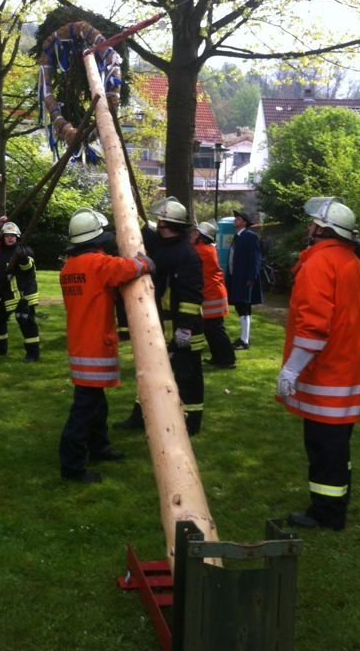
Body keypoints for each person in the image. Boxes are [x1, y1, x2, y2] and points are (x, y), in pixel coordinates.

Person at [276, 197, 360, 531]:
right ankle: (333, 506)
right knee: (336, 447)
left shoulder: (319, 264)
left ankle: (326, 514)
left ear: (322, 230)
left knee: (324, 448)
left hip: (325, 374)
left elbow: (314, 326)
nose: (308, 227)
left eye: (312, 223)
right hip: (347, 369)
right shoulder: (351, 261)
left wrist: (292, 368)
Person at [59, 207, 154, 484]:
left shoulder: (69, 268)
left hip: (80, 347)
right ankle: (72, 466)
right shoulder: (99, 264)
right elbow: (129, 268)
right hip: (95, 348)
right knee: (84, 410)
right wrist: (144, 261)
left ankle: (99, 448)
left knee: (96, 404)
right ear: (96, 240)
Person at [115, 197, 205, 436]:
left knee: (187, 376)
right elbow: (145, 233)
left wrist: (184, 328)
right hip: (160, 325)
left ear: (166, 224)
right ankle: (140, 416)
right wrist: (131, 211)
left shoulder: (186, 254)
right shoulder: (162, 244)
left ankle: (192, 420)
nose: (157, 224)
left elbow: (192, 294)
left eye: (160, 221)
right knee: (150, 372)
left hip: (184, 328)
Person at [0, 221, 40, 362]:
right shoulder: (1, 255)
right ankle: (0, 349)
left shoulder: (25, 250)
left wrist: (22, 257)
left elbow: (28, 268)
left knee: (26, 322)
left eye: (12, 235)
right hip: (9, 295)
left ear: (17, 237)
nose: (10, 238)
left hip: (25, 294)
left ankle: (32, 354)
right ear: (3, 238)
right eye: (7, 236)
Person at [192, 221, 236, 369]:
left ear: (202, 237)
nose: (193, 235)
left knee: (215, 330)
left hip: (213, 295)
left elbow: (187, 252)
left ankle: (228, 359)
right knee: (211, 329)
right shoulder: (206, 248)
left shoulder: (202, 250)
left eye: (196, 233)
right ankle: (218, 357)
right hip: (212, 293)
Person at [225, 208, 262, 350]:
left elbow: (255, 258)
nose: (235, 220)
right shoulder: (238, 236)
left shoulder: (249, 236)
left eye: (238, 218)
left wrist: (251, 277)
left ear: (245, 222)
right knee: (241, 306)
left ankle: (244, 341)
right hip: (236, 277)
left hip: (245, 278)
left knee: (243, 306)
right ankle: (244, 338)